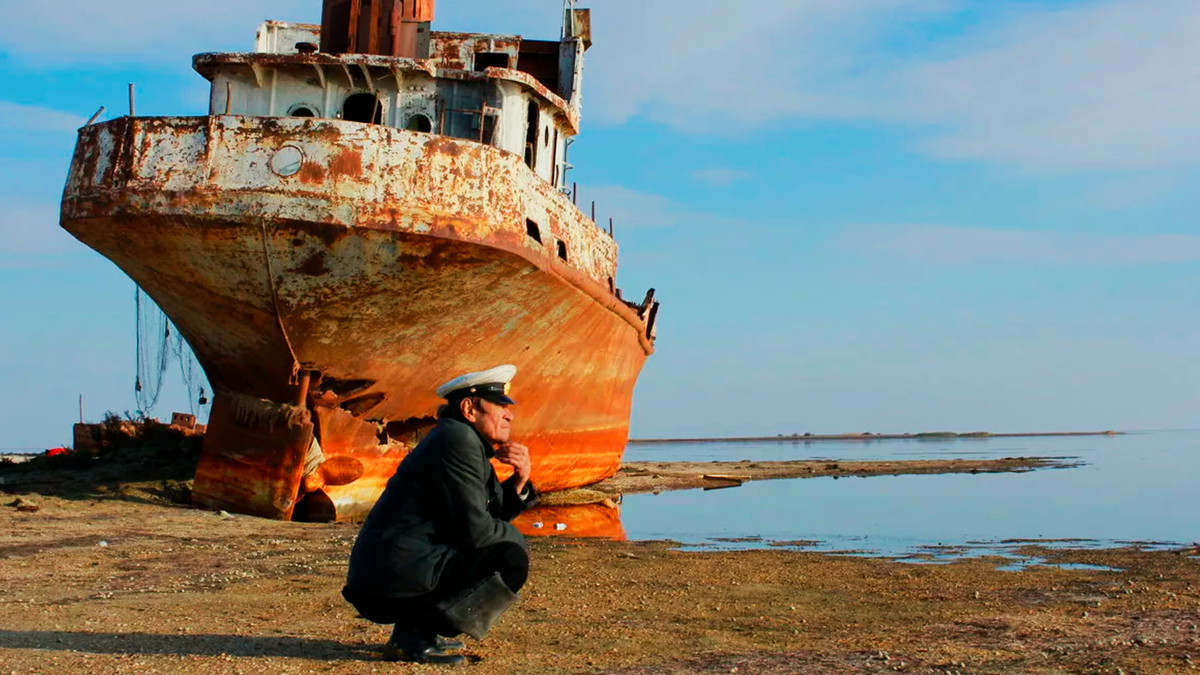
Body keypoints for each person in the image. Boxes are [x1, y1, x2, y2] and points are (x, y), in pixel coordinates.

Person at [342, 364, 538, 665]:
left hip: (388, 573)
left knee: (501, 548)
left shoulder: (461, 439)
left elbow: (487, 514)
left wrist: (520, 480)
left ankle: (415, 633)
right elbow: (475, 532)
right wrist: (518, 543)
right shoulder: (458, 442)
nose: (509, 414)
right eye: (499, 405)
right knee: (509, 557)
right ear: (469, 409)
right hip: (388, 579)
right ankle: (415, 636)